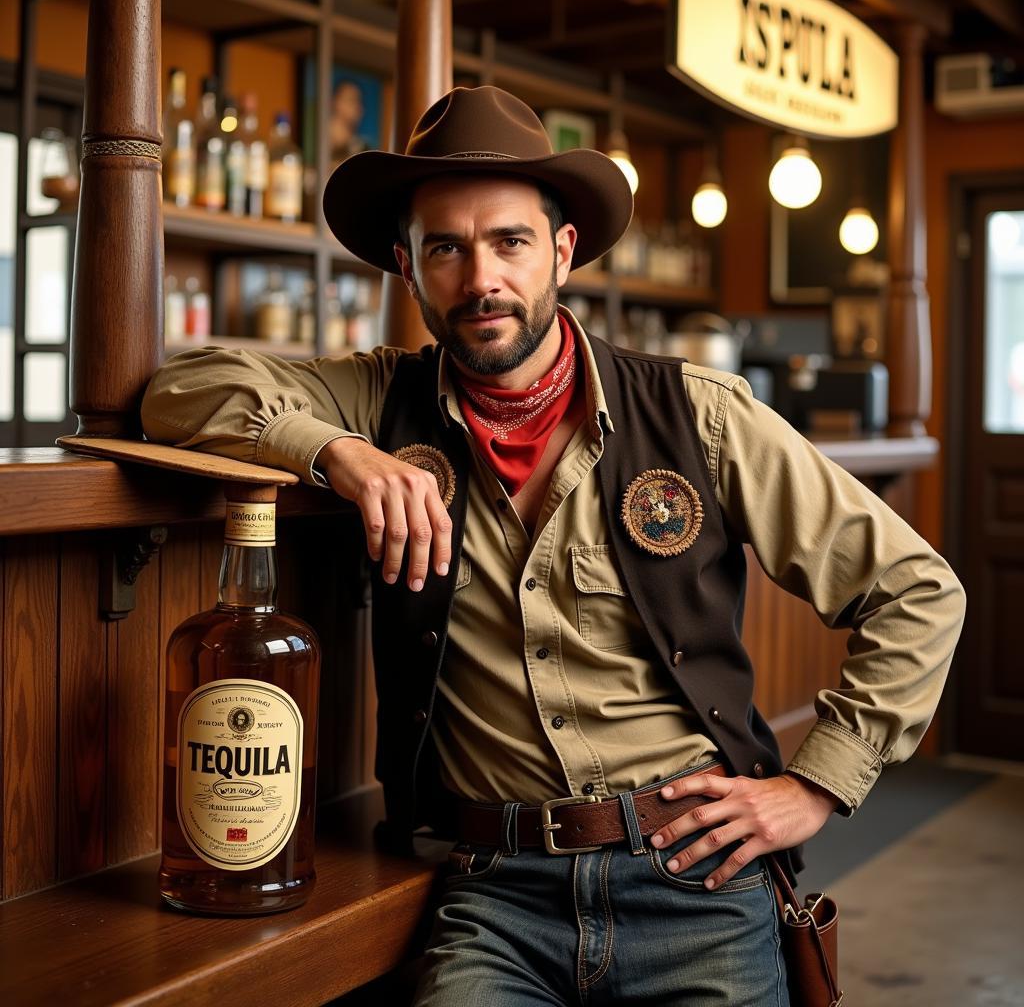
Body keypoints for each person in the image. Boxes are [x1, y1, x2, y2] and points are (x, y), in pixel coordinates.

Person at [142, 85, 966, 1005]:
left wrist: (816, 786)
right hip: (494, 898)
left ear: (562, 252)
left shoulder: (696, 414)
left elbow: (919, 588)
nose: (480, 277)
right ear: (406, 268)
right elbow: (179, 389)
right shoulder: (378, 401)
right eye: (445, 247)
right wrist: (335, 453)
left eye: (510, 242)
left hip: (695, 885)